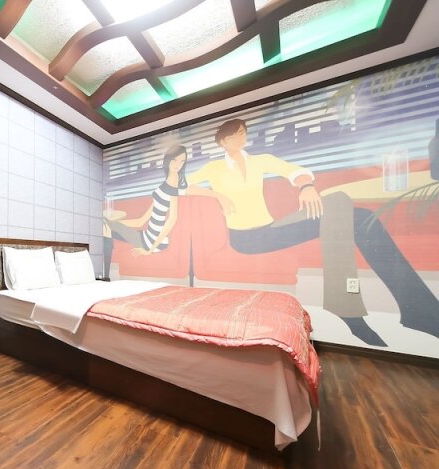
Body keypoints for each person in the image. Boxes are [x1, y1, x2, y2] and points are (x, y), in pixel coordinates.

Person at [185, 118, 439, 346]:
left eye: (243, 132)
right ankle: (410, 310)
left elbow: (295, 171)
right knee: (349, 216)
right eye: (234, 135)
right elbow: (177, 186)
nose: (241, 137)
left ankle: (411, 309)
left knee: (354, 213)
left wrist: (305, 186)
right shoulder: (213, 169)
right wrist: (216, 194)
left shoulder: (260, 160)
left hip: (271, 229)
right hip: (247, 239)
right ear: (223, 141)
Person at [103, 145, 191, 277]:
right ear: (168, 160)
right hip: (148, 236)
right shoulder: (167, 183)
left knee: (106, 228)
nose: (177, 164)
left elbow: (173, 218)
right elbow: (141, 221)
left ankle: (105, 276)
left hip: (152, 241)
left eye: (182, 161)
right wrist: (114, 223)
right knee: (108, 226)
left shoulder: (174, 179)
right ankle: (106, 273)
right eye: (174, 160)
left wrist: (150, 249)